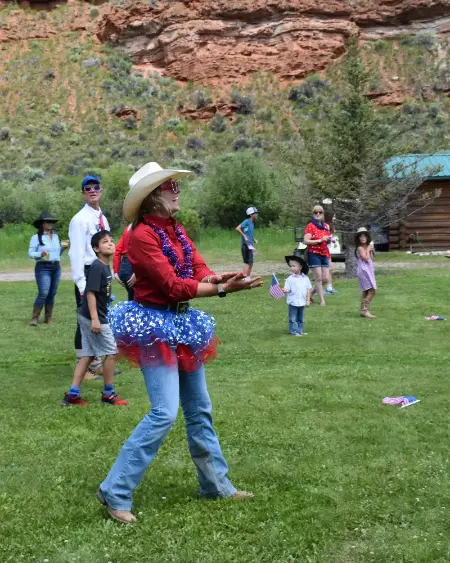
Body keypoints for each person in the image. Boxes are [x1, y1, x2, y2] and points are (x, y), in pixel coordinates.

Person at [97, 162, 263, 525]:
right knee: (164, 412)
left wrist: (218, 276)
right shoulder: (141, 236)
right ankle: (115, 490)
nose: (177, 190)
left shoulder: (175, 229)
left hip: (182, 323)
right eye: (171, 185)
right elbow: (172, 285)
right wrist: (221, 289)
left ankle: (216, 485)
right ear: (154, 195)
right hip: (154, 324)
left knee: (199, 407)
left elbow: (196, 267)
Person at [61, 230, 128, 406]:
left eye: (111, 241)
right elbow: (89, 293)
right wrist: (95, 319)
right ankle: (108, 394)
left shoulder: (105, 265)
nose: (110, 244)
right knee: (112, 353)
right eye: (105, 242)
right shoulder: (97, 266)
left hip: (92, 315)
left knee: (88, 355)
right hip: (93, 317)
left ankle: (72, 395)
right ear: (96, 248)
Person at [69, 175, 110, 378]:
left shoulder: (102, 218)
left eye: (96, 187)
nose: (92, 190)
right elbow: (75, 253)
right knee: (85, 319)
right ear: (83, 193)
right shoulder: (79, 220)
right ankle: (82, 364)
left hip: (100, 272)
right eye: (88, 188)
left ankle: (95, 362)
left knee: (99, 316)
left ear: (101, 190)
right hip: (86, 273)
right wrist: (81, 283)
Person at [28, 211, 69, 326]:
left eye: (52, 221)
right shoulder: (36, 237)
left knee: (52, 293)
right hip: (43, 268)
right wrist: (40, 254)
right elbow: (30, 253)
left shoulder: (55, 236)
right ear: (42, 224)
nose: (50, 223)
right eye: (48, 221)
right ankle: (34, 318)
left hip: (56, 267)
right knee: (43, 292)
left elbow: (56, 254)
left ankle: (48, 318)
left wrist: (63, 248)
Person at [304, 205, 331, 306]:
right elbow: (306, 241)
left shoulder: (326, 226)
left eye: (320, 212)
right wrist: (319, 240)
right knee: (318, 277)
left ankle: (310, 292)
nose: (318, 214)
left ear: (323, 214)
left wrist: (329, 239)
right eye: (316, 212)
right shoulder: (310, 226)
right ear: (313, 214)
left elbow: (327, 238)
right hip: (314, 253)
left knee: (326, 278)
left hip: (324, 253)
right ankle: (322, 300)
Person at [283, 254, 312, 336]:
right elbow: (287, 289)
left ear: (300, 267)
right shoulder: (290, 279)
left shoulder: (305, 278)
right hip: (293, 302)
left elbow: (308, 290)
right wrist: (284, 290)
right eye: (290, 266)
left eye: (293, 266)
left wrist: (308, 300)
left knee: (301, 318)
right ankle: (293, 331)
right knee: (293, 318)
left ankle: (299, 330)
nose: (291, 268)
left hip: (302, 302)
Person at [355, 227, 377, 319]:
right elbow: (365, 258)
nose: (363, 238)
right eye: (361, 236)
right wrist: (368, 249)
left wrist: (371, 249)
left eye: (364, 236)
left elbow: (371, 258)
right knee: (372, 290)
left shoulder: (367, 246)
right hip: (363, 271)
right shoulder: (360, 248)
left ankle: (362, 311)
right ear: (358, 238)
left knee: (366, 291)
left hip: (368, 270)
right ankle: (365, 310)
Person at [113, 224, 135, 301]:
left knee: (132, 300)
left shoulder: (128, 228)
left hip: (124, 267)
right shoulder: (142, 226)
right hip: (133, 267)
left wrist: (116, 272)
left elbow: (118, 250)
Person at [235, 207, 258, 279]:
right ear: (251, 215)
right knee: (248, 263)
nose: (257, 215)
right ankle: (244, 279)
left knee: (250, 264)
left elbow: (249, 232)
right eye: (255, 213)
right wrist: (244, 236)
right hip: (246, 245)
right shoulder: (246, 221)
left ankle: (247, 278)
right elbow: (237, 228)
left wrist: (253, 239)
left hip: (250, 245)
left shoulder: (252, 223)